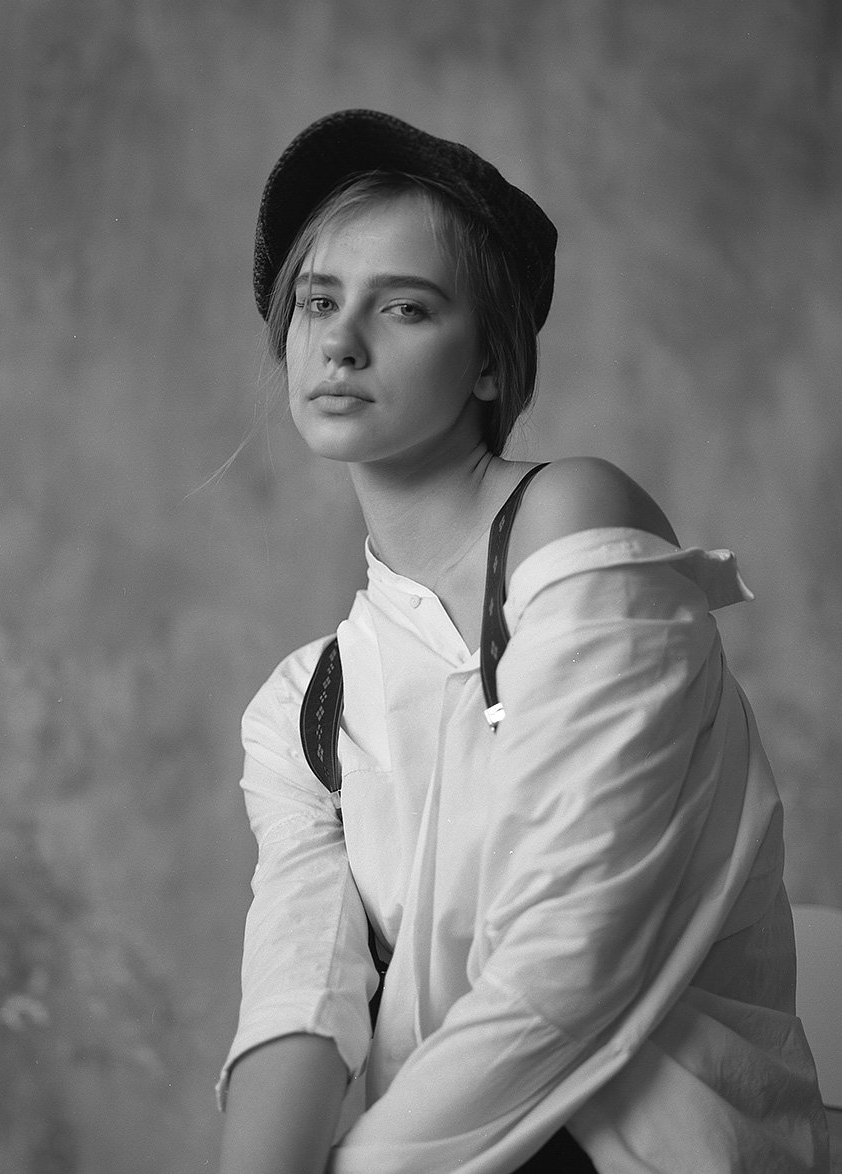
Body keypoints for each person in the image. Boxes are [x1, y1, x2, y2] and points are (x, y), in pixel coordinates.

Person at [216, 109, 828, 1174]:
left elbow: (571, 953)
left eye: (403, 306)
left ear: (490, 365)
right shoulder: (302, 710)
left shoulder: (572, 521)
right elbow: (300, 1000)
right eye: (318, 300)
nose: (341, 340)